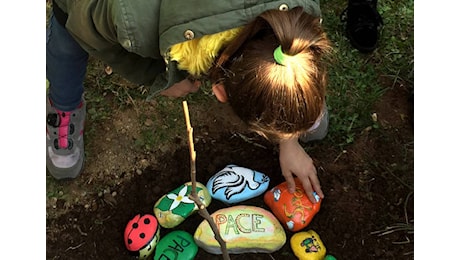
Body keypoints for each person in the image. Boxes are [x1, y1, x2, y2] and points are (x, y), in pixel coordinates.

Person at [46, 0, 332, 204]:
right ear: (219, 91)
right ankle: (64, 105)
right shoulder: (131, 16)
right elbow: (86, 26)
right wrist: (156, 75)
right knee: (67, 42)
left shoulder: (301, 10)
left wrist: (289, 140)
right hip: (84, 9)